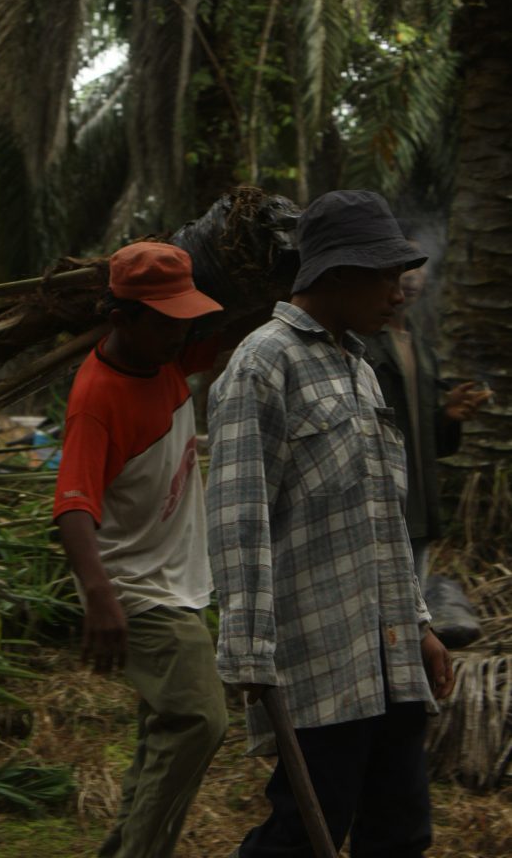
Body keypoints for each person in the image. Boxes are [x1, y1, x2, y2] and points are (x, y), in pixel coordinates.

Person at [206, 190, 455, 858]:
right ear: (335, 274)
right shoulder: (262, 364)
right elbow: (238, 517)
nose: (399, 294)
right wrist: (248, 648)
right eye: (384, 276)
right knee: (304, 831)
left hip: (388, 644)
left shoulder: (360, 369)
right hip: (316, 650)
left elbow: (383, 518)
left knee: (401, 832)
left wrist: (421, 626)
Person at [52, 241, 230, 858]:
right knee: (199, 720)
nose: (182, 333)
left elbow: (234, 331)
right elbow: (73, 503)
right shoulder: (97, 397)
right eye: (167, 320)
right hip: (138, 589)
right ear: (121, 316)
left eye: (187, 318)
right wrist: (101, 598)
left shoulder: (168, 358)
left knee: (164, 732)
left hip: (177, 580)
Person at [363, 238, 491, 588]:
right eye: (403, 269)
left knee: (413, 601)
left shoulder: (423, 349)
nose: (412, 278)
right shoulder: (362, 343)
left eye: (419, 269)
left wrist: (448, 415)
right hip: (376, 500)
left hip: (418, 499)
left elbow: (428, 438)